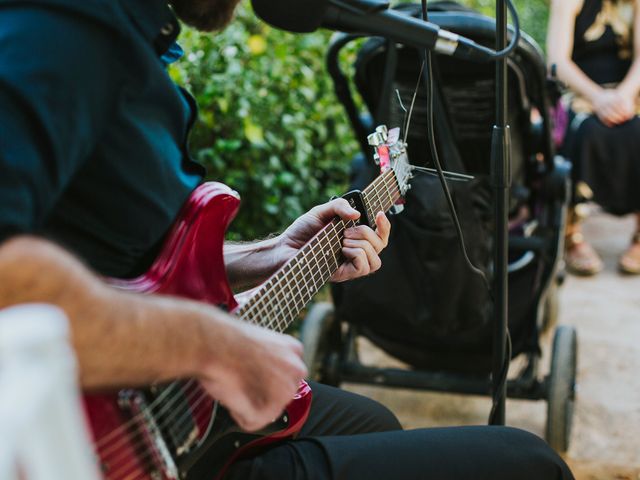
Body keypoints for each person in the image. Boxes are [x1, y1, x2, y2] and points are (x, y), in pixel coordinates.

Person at [0, 0, 575, 478]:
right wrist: (211, 340)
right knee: (525, 464)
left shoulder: (124, 34)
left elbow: (114, 260)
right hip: (99, 444)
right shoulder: (62, 27)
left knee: (371, 423)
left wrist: (267, 255)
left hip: (169, 408)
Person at [548, 0, 640, 275]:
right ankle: (571, 234)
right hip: (581, 95)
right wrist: (598, 98)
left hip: (629, 95)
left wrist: (622, 97)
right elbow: (557, 63)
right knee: (583, 132)